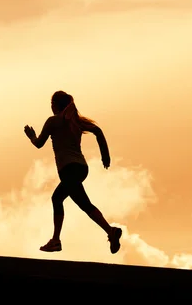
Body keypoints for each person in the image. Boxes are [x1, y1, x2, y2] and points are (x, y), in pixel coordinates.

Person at [23, 90, 122, 254]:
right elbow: (98, 131)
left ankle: (56, 240)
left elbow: (39, 144)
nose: (51, 107)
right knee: (83, 204)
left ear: (55, 105)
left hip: (69, 169)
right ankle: (110, 232)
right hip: (81, 168)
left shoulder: (53, 121)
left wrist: (32, 136)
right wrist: (105, 155)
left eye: (52, 104)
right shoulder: (75, 122)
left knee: (57, 199)